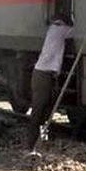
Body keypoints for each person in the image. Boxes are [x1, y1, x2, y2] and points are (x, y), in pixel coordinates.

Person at [26, 14, 74, 153]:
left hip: (43, 74)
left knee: (47, 107)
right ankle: (32, 144)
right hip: (43, 74)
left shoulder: (53, 29)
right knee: (39, 108)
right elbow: (76, 31)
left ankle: (42, 140)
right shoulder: (60, 29)